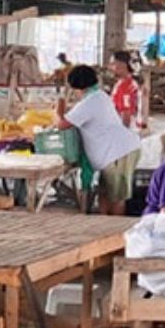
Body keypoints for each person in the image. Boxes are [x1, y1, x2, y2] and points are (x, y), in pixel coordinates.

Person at [60, 65, 142, 214]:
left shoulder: (90, 102)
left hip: (118, 152)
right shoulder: (99, 96)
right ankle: (103, 221)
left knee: (116, 198)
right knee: (104, 193)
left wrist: (59, 107)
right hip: (116, 151)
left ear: (77, 87)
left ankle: (115, 225)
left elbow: (62, 125)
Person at [110, 51, 144, 131]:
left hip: (125, 130)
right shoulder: (132, 82)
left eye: (113, 64)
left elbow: (126, 115)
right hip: (134, 128)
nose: (110, 67)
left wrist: (122, 134)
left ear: (123, 65)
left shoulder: (124, 87)